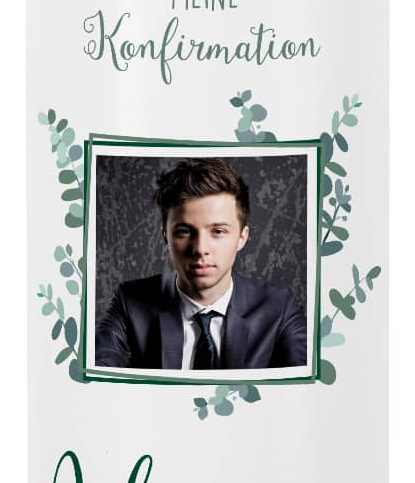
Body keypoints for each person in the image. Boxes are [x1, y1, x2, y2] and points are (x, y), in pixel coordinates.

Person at [95, 158, 307, 371]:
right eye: (184, 232)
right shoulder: (130, 303)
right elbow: (96, 379)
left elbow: (307, 384)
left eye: (218, 231)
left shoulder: (279, 308)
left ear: (242, 237)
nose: (200, 248)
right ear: (165, 236)